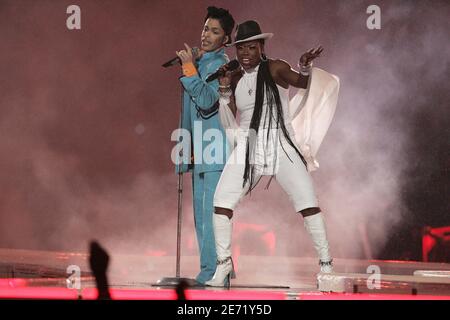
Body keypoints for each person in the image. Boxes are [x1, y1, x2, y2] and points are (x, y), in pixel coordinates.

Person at [205, 20, 340, 287]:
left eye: (251, 48)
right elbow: (228, 119)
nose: (245, 53)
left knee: (308, 204)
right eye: (241, 48)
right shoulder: (235, 78)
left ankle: (326, 267)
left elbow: (304, 83)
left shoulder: (275, 67)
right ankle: (223, 265)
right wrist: (223, 88)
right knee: (221, 203)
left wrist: (305, 66)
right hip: (249, 146)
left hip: (280, 146)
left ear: (262, 47)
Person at [174, 7, 235, 285]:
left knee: (211, 216)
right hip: (202, 150)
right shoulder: (203, 64)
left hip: (216, 149)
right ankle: (214, 269)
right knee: (202, 216)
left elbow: (208, 102)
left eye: (214, 31)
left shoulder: (221, 65)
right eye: (205, 28)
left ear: (226, 39)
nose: (206, 35)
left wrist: (189, 68)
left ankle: (213, 272)